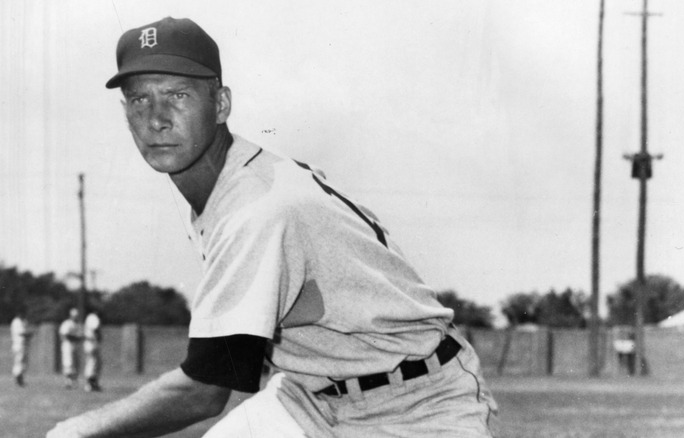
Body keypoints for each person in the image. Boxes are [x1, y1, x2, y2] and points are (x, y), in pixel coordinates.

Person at [47, 16, 498, 437]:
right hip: (310, 399)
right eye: (140, 99)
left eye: (178, 95)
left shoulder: (257, 205)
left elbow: (205, 389)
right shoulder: (231, 184)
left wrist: (78, 429)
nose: (157, 118)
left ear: (221, 104)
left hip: (418, 403)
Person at [58, 308, 82, 389]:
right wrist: (76, 338)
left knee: (76, 364)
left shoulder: (77, 324)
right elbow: (65, 335)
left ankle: (74, 381)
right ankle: (68, 382)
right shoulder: (67, 323)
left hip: (75, 345)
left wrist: (78, 338)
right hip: (68, 345)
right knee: (68, 363)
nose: (75, 318)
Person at [10, 308, 33, 387]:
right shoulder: (17, 322)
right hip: (19, 344)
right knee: (19, 362)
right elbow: (21, 333)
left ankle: (20, 379)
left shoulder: (22, 321)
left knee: (23, 363)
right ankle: (18, 379)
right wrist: (29, 334)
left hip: (23, 345)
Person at [82, 311, 102, 392]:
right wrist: (98, 337)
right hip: (92, 342)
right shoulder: (93, 317)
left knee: (92, 362)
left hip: (88, 342)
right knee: (93, 363)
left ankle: (91, 384)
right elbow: (95, 328)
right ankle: (90, 384)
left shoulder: (89, 317)